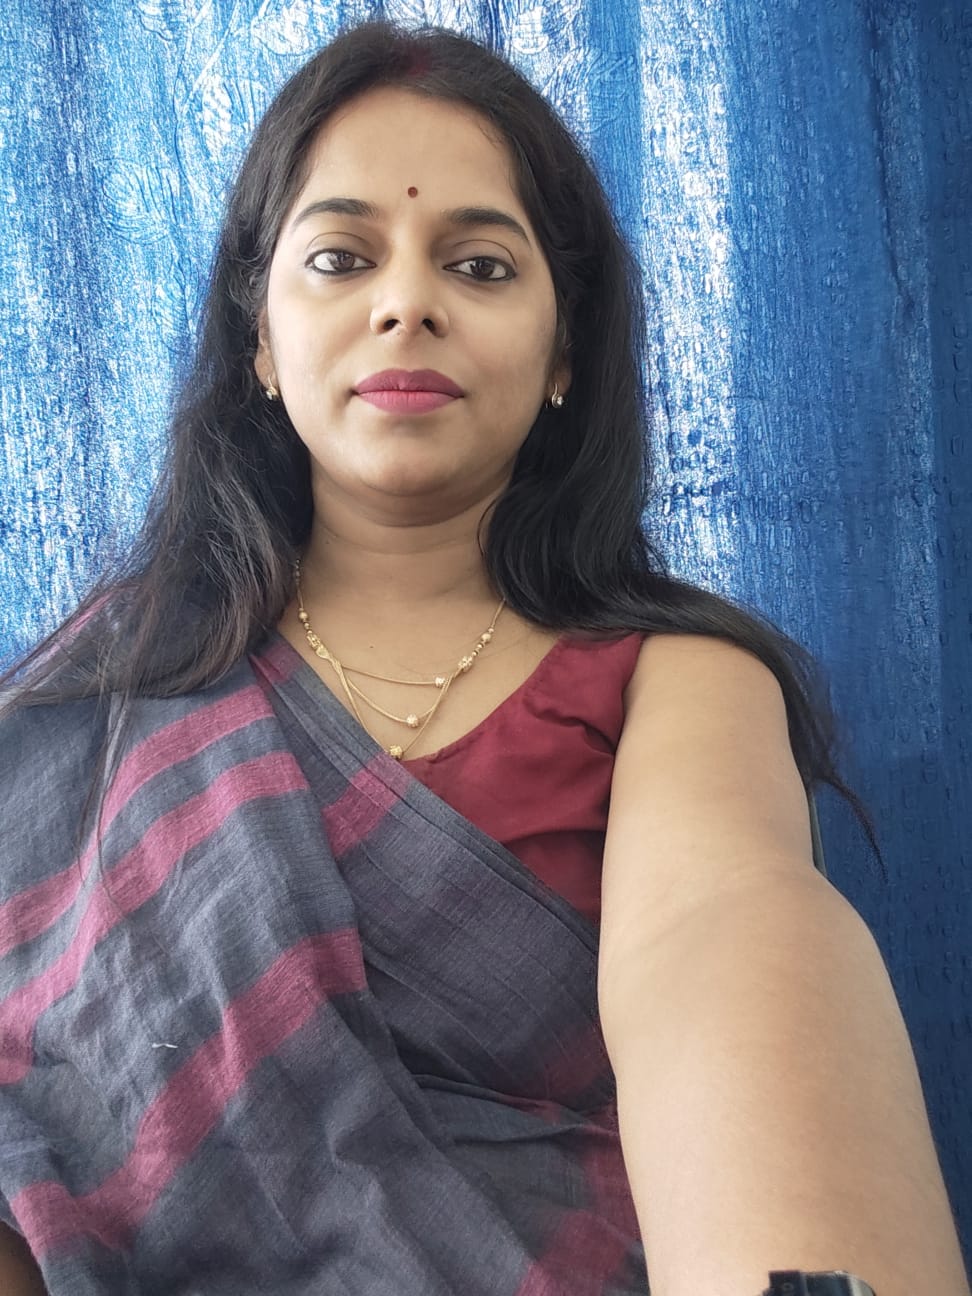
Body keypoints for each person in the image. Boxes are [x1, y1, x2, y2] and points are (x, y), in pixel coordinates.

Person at [0, 20, 967, 1296]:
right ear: (260, 342)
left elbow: (727, 939)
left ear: (565, 350)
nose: (408, 303)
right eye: (341, 258)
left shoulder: (673, 682)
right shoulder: (92, 703)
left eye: (480, 265)